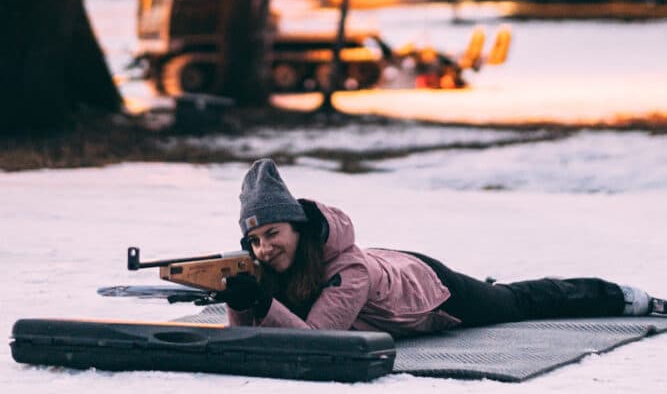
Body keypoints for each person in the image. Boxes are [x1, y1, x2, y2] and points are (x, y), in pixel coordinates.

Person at [219, 159, 665, 337]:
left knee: (517, 301)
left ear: (298, 227)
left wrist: (261, 303)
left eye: (273, 233)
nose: (264, 248)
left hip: (429, 290)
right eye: (255, 240)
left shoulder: (346, 271)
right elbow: (248, 336)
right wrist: (240, 301)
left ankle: (625, 297)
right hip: (388, 266)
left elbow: (315, 341)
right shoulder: (291, 259)